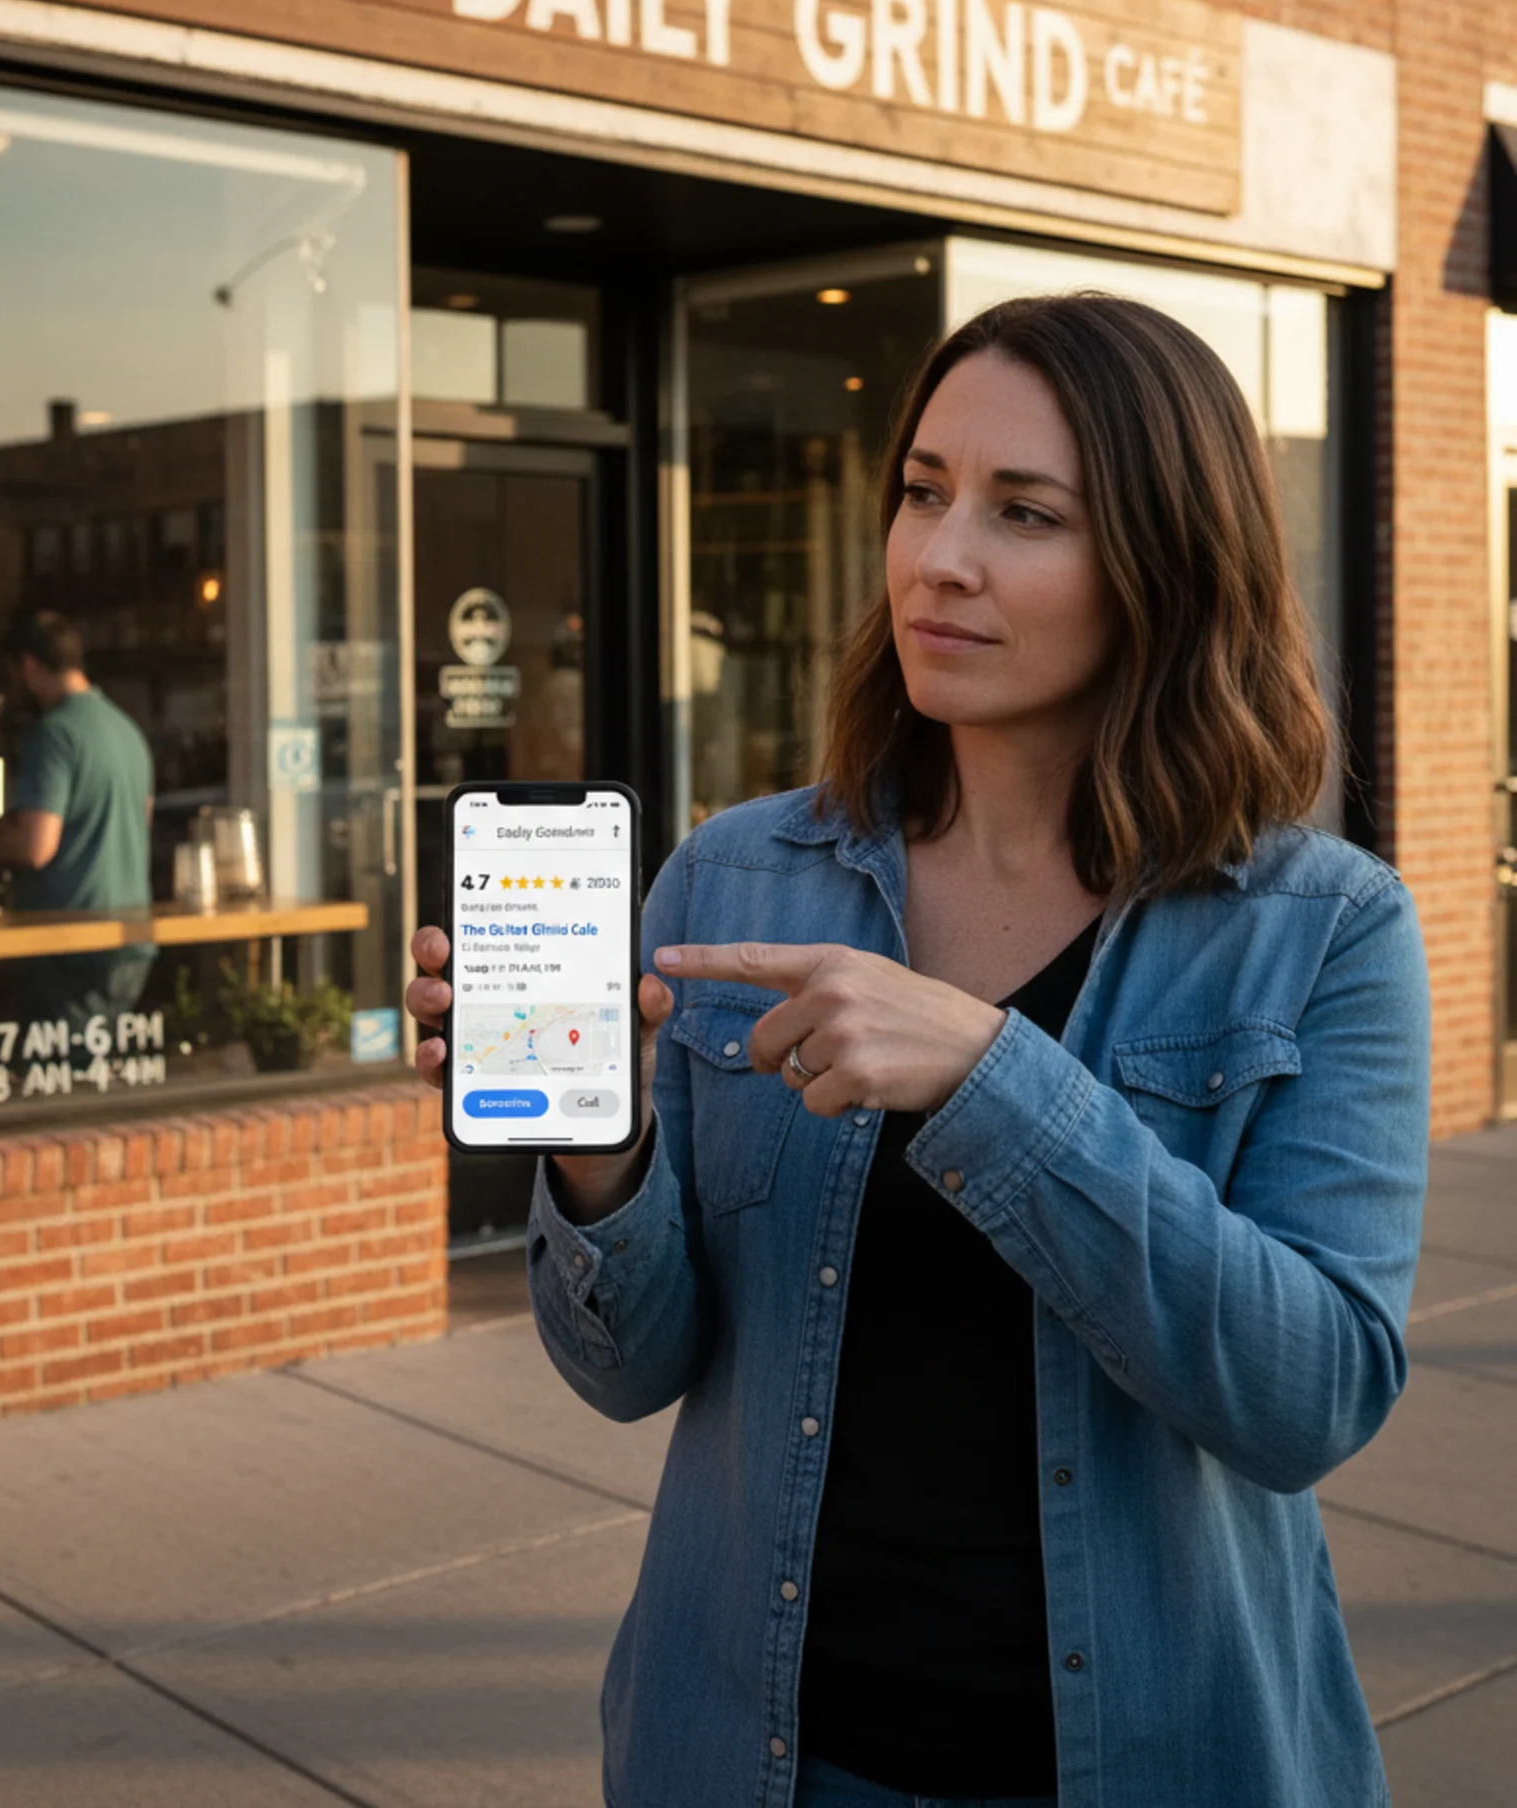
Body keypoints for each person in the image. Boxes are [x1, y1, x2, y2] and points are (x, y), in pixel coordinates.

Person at [407, 295, 1431, 1808]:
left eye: (1025, 513)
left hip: (1154, 1761)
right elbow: (629, 1370)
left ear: (1168, 568)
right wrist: (598, 1145)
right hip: (757, 1762)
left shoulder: (1322, 927)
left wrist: (990, 1082)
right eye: (925, 489)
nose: (938, 557)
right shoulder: (735, 881)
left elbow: (1312, 1397)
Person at [0, 609, 155, 1033]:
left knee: (60, 1083)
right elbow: (137, 821)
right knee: (99, 1079)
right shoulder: (126, 730)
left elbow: (36, 848)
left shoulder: (55, 733)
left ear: (28, 667)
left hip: (71, 941)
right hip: (130, 937)